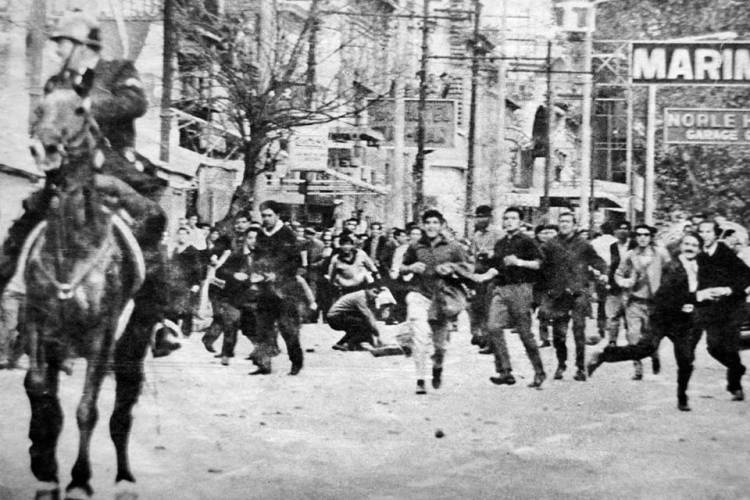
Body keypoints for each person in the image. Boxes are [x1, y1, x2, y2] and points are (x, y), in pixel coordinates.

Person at [0, 10, 174, 368]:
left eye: (62, 44)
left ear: (83, 46)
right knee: (24, 225)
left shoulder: (119, 71)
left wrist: (87, 106)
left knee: (152, 226)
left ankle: (160, 321)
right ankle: (9, 306)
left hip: (114, 167)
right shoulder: (56, 84)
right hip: (67, 173)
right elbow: (44, 124)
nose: (57, 52)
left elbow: (135, 103)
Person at [587, 233, 704, 411]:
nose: (690, 248)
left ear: (699, 249)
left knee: (686, 359)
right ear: (681, 246)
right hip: (663, 317)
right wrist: (688, 301)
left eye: (694, 245)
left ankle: (682, 398)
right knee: (643, 349)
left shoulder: (701, 267)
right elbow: (665, 293)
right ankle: (603, 355)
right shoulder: (672, 266)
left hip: (683, 322)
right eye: (687, 244)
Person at [400, 209, 472, 394]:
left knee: (440, 346)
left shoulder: (453, 247)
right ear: (423, 226)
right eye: (428, 223)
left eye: (435, 222)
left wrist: (453, 268)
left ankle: (437, 366)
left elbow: (468, 268)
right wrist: (411, 267)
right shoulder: (416, 246)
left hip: (441, 299)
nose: (431, 226)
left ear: (441, 225)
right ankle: (420, 379)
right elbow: (401, 267)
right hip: (419, 295)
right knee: (420, 337)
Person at [474, 207, 546, 388]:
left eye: (513, 218)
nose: (509, 222)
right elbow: (498, 267)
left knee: (524, 333)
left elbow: (539, 264)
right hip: (501, 288)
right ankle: (504, 371)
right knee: (493, 327)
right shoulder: (500, 243)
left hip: (521, 289)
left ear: (520, 222)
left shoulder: (527, 241)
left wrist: (519, 262)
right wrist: (484, 275)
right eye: (506, 218)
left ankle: (539, 371)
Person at [539, 212, 607, 381]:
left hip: (578, 292)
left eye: (568, 222)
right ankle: (561, 364)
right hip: (558, 294)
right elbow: (540, 263)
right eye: (561, 221)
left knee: (579, 330)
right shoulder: (550, 244)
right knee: (559, 334)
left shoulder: (583, 244)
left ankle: (580, 367)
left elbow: (597, 261)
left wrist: (604, 272)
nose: (564, 224)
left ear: (574, 225)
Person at [246, 200, 304, 375]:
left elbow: (296, 263)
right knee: (263, 328)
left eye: (269, 215)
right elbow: (257, 258)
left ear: (278, 215)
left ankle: (296, 361)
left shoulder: (288, 235)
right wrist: (256, 272)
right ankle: (264, 364)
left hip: (285, 289)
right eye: (263, 215)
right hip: (265, 289)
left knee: (288, 328)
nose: (266, 219)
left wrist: (278, 275)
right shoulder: (261, 234)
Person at [695, 220, 750, 400]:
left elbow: (746, 277)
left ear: (716, 234)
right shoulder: (699, 256)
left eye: (708, 232)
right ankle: (737, 368)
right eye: (701, 232)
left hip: (733, 307)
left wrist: (728, 290)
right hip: (711, 309)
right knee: (713, 347)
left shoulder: (726, 254)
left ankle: (735, 387)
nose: (704, 235)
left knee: (730, 345)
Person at [614, 224, 670, 379]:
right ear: (635, 237)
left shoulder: (660, 254)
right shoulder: (630, 255)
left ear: (651, 237)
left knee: (651, 336)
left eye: (646, 234)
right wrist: (624, 282)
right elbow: (618, 274)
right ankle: (637, 368)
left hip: (654, 302)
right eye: (639, 235)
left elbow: (672, 272)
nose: (642, 238)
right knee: (633, 335)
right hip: (635, 301)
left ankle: (654, 355)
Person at [468, 205, 503, 351]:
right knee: (478, 307)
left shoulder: (498, 233)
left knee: (490, 308)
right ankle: (482, 336)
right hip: (479, 273)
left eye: (483, 216)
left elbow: (502, 254)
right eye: (478, 217)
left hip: (494, 273)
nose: (480, 219)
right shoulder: (476, 235)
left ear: (490, 218)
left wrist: (491, 254)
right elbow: (472, 255)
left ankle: (492, 342)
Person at [167, 227, 204, 337]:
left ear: (188, 236)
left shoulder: (192, 251)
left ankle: (186, 332)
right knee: (172, 308)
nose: (182, 236)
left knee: (187, 309)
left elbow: (198, 269)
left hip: (188, 284)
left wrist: (196, 283)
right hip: (174, 283)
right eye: (180, 234)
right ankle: (172, 332)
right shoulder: (175, 250)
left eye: (184, 234)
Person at [327, 284, 384, 351]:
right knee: (362, 324)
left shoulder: (362, 295)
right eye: (374, 292)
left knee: (362, 324)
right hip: (335, 318)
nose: (376, 295)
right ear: (367, 289)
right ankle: (348, 344)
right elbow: (368, 316)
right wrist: (377, 335)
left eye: (378, 293)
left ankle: (343, 344)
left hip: (337, 316)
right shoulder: (360, 297)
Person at [604, 221, 634, 347]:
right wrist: (609, 282)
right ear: (615, 232)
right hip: (615, 286)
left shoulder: (634, 245)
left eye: (625, 228)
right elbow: (611, 266)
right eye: (619, 229)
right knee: (613, 315)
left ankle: (632, 343)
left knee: (630, 316)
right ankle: (612, 341)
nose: (622, 231)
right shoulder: (613, 247)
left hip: (632, 286)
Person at [591, 221, 618, 338]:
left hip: (599, 273)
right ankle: (610, 325)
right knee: (612, 299)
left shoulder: (595, 242)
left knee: (601, 302)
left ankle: (601, 326)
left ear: (601, 230)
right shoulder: (616, 242)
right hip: (613, 273)